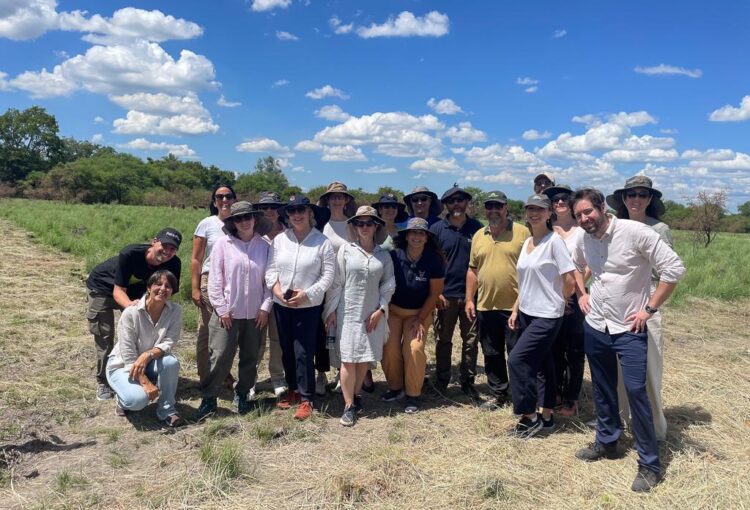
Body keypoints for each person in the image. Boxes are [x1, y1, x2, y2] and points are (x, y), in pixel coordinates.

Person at [571, 188, 685, 492]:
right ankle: (607, 442)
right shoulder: (583, 238)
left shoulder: (636, 232)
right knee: (602, 387)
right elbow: (576, 265)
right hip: (596, 325)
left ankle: (650, 465)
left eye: (588, 211)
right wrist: (582, 294)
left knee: (636, 392)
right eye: (578, 215)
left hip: (629, 328)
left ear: (602, 208)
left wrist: (649, 309)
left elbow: (674, 269)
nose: (584, 218)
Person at [607, 175, 671, 441]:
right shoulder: (614, 226)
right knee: (619, 369)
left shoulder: (659, 229)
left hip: (646, 301)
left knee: (649, 368)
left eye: (642, 194)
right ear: (623, 198)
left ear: (650, 199)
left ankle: (654, 429)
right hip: (618, 303)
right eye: (631, 194)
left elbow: (668, 273)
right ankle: (622, 420)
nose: (636, 199)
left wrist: (650, 308)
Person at [506, 195, 576, 438]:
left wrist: (560, 300)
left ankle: (529, 416)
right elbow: (525, 282)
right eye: (530, 209)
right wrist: (516, 309)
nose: (534, 213)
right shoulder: (528, 242)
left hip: (547, 315)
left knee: (517, 360)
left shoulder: (554, 242)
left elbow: (569, 278)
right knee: (544, 366)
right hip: (527, 312)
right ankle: (546, 417)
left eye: (539, 209)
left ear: (549, 214)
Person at [195, 202, 273, 419]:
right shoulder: (223, 244)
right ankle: (209, 397)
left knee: (250, 357)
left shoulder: (265, 246)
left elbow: (270, 280)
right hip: (227, 313)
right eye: (239, 218)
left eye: (248, 217)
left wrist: (265, 308)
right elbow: (215, 279)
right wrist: (221, 308)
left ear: (255, 219)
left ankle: (243, 395)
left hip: (255, 314)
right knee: (219, 356)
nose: (244, 222)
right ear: (233, 223)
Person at [86, 227, 182, 401]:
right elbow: (118, 292)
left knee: (139, 333)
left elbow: (166, 294)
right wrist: (133, 309)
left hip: (134, 293)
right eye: (164, 246)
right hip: (102, 288)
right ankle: (104, 381)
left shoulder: (174, 264)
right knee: (105, 335)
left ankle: (138, 370)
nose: (167, 252)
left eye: (172, 249)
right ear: (154, 242)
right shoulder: (130, 253)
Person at [324, 206, 396, 426]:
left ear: (376, 227)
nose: (364, 227)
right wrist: (331, 310)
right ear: (354, 226)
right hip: (347, 312)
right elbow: (336, 283)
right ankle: (348, 406)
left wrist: (380, 310)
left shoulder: (383, 255)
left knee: (363, 358)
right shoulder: (346, 250)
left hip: (371, 313)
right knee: (348, 359)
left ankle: (355, 397)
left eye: (369, 223)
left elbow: (388, 285)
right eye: (360, 223)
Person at [265, 195, 335, 420]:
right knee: (286, 348)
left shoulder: (322, 242)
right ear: (287, 215)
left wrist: (307, 294)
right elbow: (271, 269)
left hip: (308, 305)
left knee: (303, 351)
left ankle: (307, 398)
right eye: (292, 211)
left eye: (301, 210)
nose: (297, 215)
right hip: (282, 303)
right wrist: (277, 292)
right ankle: (293, 389)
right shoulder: (280, 240)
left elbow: (328, 276)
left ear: (310, 213)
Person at [465, 191, 530, 410]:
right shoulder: (479, 235)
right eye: (489, 206)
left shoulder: (522, 233)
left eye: (498, 206)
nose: (493, 210)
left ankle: (522, 395)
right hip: (486, 305)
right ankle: (498, 394)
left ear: (506, 208)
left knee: (517, 353)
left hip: (515, 306)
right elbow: (473, 270)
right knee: (491, 353)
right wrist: (469, 299)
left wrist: (519, 305)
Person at [382, 218, 445, 414]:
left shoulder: (433, 260)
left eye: (421, 233)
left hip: (419, 312)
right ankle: (395, 388)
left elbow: (435, 293)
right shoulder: (394, 256)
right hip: (394, 310)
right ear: (406, 236)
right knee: (390, 349)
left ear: (426, 238)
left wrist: (420, 319)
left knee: (414, 348)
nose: (416, 237)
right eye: (413, 232)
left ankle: (413, 394)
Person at [105, 270, 183, 427]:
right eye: (158, 284)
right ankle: (122, 399)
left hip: (149, 362)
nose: (163, 289)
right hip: (122, 365)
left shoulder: (175, 310)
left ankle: (167, 410)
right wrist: (145, 382)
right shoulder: (131, 313)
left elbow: (170, 341)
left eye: (168, 286)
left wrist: (147, 355)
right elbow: (128, 354)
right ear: (149, 287)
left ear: (172, 291)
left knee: (171, 362)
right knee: (138, 401)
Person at [430, 185, 483, 399]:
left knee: (470, 341)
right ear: (446, 205)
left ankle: (468, 382)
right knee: (444, 340)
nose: (456, 205)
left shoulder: (477, 228)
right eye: (451, 201)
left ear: (467, 202)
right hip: (446, 294)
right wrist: (436, 293)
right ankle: (442, 380)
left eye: (460, 200)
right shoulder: (437, 229)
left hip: (472, 295)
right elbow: (432, 262)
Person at [543, 184, 587, 417]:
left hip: (575, 297)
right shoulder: (546, 229)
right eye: (555, 200)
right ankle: (556, 391)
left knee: (575, 349)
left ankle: (571, 397)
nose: (559, 202)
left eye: (564, 198)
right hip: (550, 296)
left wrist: (570, 293)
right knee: (554, 347)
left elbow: (587, 265)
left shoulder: (581, 230)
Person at [191, 184, 236, 389]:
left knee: (227, 330)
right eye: (220, 197)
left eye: (228, 196)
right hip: (210, 279)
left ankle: (222, 372)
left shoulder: (241, 221)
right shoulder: (207, 224)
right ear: (214, 201)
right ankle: (205, 376)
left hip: (234, 281)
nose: (224, 200)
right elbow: (196, 259)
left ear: (234, 199)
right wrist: (195, 288)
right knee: (207, 330)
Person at [317, 182, 359, 394]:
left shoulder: (353, 225)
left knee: (343, 328)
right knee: (321, 329)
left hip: (346, 284)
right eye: (332, 196)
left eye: (340, 196)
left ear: (346, 200)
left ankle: (342, 372)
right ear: (327, 200)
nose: (336, 200)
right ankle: (321, 373)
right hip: (322, 283)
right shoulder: (320, 224)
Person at [253, 191, 288, 397]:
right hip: (257, 296)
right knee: (256, 339)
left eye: (273, 207)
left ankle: (277, 376)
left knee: (277, 338)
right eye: (264, 207)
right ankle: (250, 377)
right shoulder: (253, 235)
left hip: (282, 295)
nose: (269, 211)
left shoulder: (289, 233)